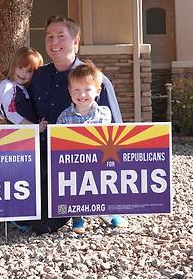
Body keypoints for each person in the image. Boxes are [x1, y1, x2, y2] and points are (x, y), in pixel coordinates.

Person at [26, 15, 125, 234]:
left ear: (76, 41)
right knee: (37, 224)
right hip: (44, 161)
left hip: (88, 165)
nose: (54, 42)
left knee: (46, 225)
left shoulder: (94, 81)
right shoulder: (39, 77)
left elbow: (116, 132)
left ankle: (96, 206)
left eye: (61, 36)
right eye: (49, 37)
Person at [56, 60, 112, 234]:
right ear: (70, 92)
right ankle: (77, 216)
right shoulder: (65, 117)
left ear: (97, 91)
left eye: (87, 89)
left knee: (104, 186)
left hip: (99, 162)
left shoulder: (105, 114)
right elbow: (58, 142)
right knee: (76, 188)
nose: (82, 95)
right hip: (75, 164)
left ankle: (108, 213)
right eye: (77, 90)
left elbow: (111, 138)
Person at [0, 47, 42, 125]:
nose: (23, 73)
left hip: (31, 133)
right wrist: (34, 127)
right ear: (12, 65)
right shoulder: (7, 86)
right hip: (16, 134)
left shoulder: (26, 89)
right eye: (20, 67)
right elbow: (11, 113)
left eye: (29, 71)